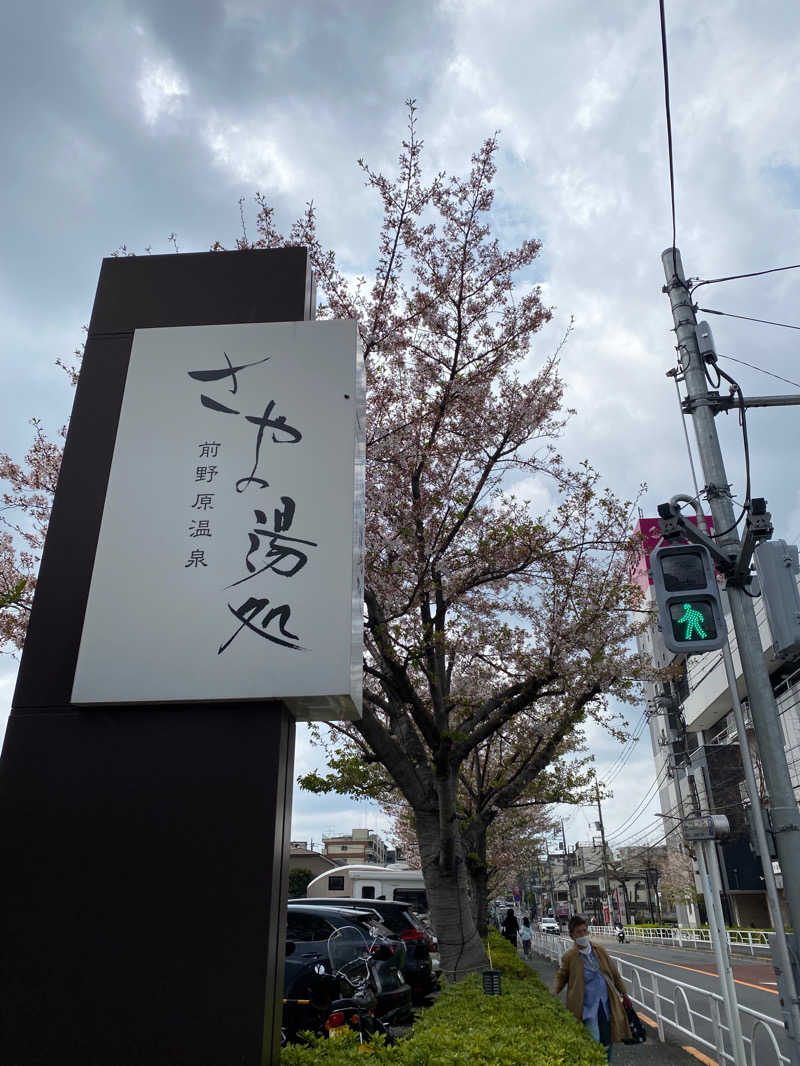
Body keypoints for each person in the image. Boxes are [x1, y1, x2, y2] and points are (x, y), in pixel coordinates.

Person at [551, 913, 632, 1062]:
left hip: (606, 1003)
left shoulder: (598, 950)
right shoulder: (570, 957)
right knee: (593, 1042)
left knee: (608, 1039)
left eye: (584, 931)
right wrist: (554, 992)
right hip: (586, 1006)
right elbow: (561, 976)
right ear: (572, 936)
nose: (583, 935)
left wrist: (624, 992)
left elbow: (613, 973)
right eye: (579, 932)